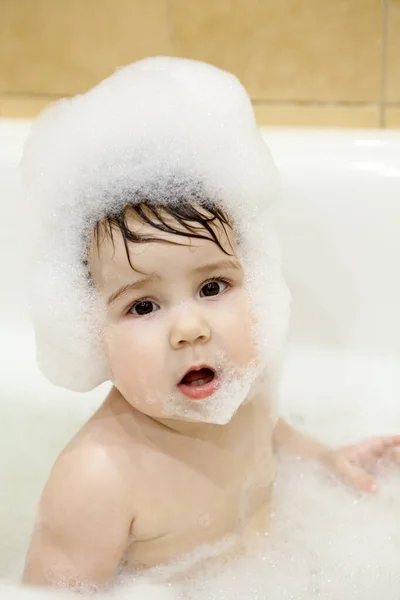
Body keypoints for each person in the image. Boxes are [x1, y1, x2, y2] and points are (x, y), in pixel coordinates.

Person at [20, 57, 400, 594]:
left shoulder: (243, 393)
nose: (190, 328)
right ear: (89, 331)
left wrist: (326, 459)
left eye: (212, 287)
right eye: (144, 306)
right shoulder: (99, 478)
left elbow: (276, 433)